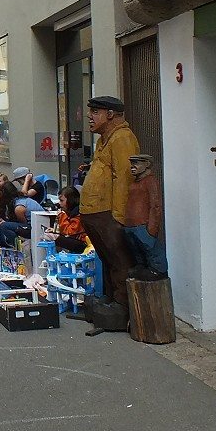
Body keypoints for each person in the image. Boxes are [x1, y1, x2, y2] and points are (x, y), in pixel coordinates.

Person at [79, 95, 139, 307]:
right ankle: (110, 298)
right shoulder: (103, 139)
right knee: (107, 259)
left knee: (119, 260)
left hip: (108, 213)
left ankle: (121, 304)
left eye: (95, 112)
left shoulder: (122, 138)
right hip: (96, 212)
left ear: (110, 114)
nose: (89, 116)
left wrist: (119, 216)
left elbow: (124, 178)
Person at [124, 155, 167, 279]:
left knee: (150, 248)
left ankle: (158, 269)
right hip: (130, 224)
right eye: (131, 163)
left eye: (136, 163)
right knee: (136, 249)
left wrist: (152, 227)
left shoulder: (150, 181)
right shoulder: (134, 183)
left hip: (143, 224)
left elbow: (156, 205)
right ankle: (142, 266)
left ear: (147, 164)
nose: (132, 166)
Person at [0, 179, 46, 248]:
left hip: (37, 229)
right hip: (37, 226)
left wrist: (6, 223)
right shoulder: (21, 199)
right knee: (5, 224)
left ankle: (18, 247)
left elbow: (23, 225)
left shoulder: (19, 208)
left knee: (4, 226)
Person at [44, 187, 88, 253]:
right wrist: (55, 231)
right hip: (78, 240)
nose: (59, 203)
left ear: (70, 200)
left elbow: (69, 232)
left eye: (61, 200)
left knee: (49, 237)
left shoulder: (78, 214)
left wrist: (61, 216)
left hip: (83, 244)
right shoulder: (72, 212)